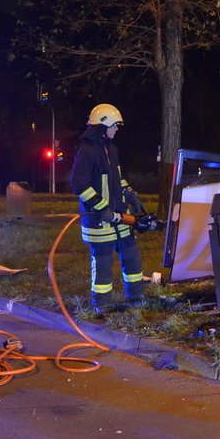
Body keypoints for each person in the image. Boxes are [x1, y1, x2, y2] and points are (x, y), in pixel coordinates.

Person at [71, 103, 146, 314]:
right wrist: (101, 209)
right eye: (115, 126)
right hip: (99, 220)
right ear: (103, 126)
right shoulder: (86, 152)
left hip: (120, 217)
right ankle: (102, 304)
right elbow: (80, 185)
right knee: (103, 263)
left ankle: (137, 296)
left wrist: (129, 193)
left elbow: (116, 180)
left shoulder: (111, 149)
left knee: (131, 255)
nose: (117, 130)